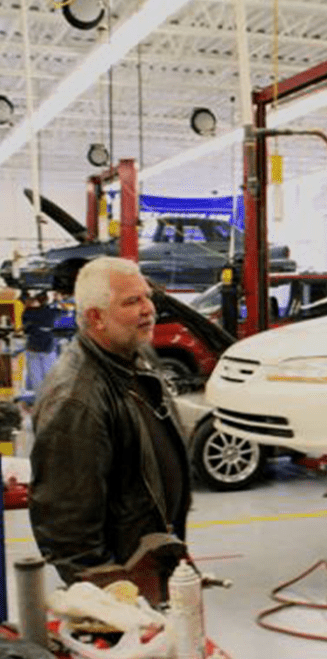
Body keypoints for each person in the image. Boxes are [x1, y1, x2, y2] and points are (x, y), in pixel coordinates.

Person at [29, 257, 191, 605]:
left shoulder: (132, 358)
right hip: (123, 587)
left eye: (147, 297)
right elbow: (69, 535)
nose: (148, 309)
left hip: (151, 568)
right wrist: (114, 606)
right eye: (131, 302)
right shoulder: (76, 399)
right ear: (95, 318)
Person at [20, 290, 60, 396]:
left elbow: (25, 328)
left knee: (36, 377)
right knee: (50, 375)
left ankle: (40, 399)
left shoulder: (29, 313)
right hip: (47, 348)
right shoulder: (52, 312)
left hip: (33, 347)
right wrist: (57, 300)